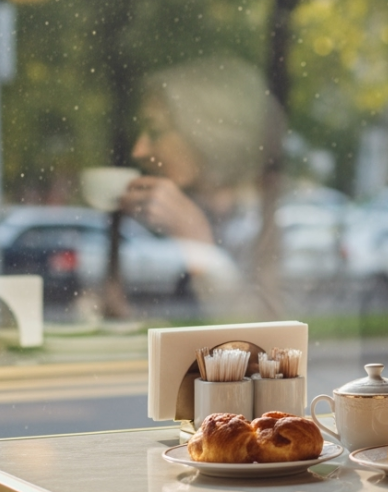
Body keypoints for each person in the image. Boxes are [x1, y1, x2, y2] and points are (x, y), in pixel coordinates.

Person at [119, 56, 284, 316]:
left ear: (207, 133)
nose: (139, 150)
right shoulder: (206, 209)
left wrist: (197, 242)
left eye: (155, 131)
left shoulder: (281, 221)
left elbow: (269, 349)